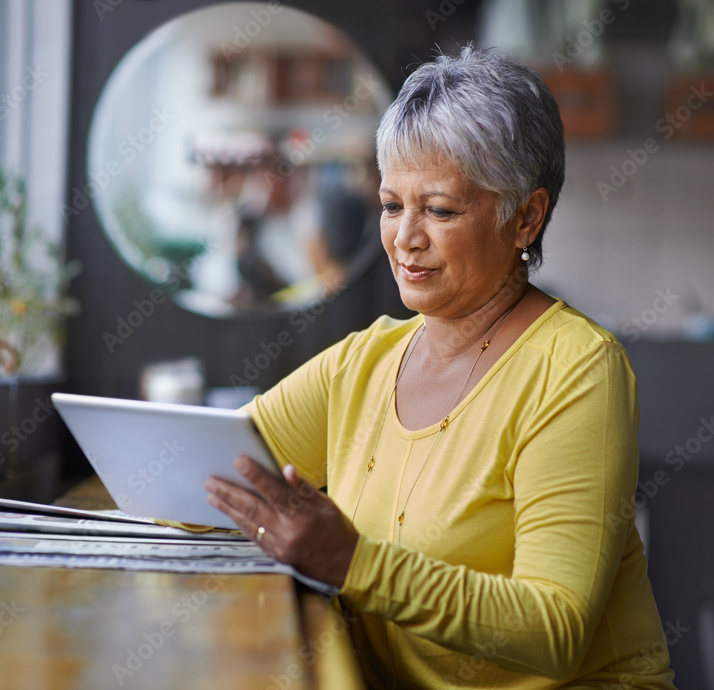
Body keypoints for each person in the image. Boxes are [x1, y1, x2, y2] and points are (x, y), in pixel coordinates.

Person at [206, 46, 676, 689]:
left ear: (526, 217)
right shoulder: (362, 364)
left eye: (440, 210)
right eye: (392, 205)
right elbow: (205, 472)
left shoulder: (576, 371)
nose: (405, 237)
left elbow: (556, 628)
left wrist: (351, 562)